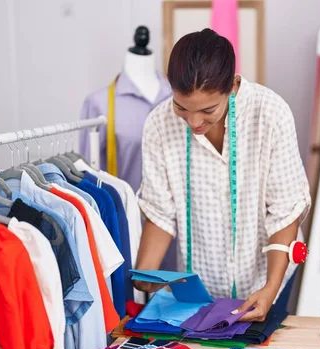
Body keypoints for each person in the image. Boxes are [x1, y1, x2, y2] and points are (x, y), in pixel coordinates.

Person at [133, 28, 310, 322]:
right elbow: (160, 212)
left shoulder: (270, 114)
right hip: (200, 284)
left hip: (267, 275)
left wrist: (269, 288)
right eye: (181, 107)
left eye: (207, 110)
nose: (193, 121)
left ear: (231, 86)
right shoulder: (158, 124)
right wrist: (144, 277)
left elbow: (285, 213)